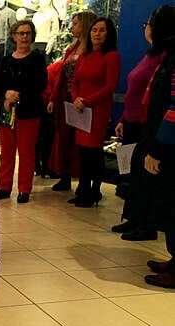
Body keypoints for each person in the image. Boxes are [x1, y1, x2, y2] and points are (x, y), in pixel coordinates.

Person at [122, 5, 175, 288]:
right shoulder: (167, 56)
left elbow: (174, 108)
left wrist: (158, 148)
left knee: (171, 203)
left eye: (151, 22)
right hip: (160, 138)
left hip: (169, 146)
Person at [111, 9, 167, 241]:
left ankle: (145, 224)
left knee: (144, 176)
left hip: (146, 123)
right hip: (132, 120)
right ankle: (134, 217)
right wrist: (124, 118)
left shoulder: (164, 57)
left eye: (148, 23)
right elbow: (135, 91)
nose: (145, 27)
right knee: (133, 173)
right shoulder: (150, 55)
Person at [0, 20, 48, 203]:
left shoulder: (37, 60)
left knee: (26, 152)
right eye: (20, 33)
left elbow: (40, 84)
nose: (24, 37)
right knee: (6, 151)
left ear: (32, 36)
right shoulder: (4, 60)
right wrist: (6, 94)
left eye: (27, 33)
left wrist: (17, 95)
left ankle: (24, 189)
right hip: (5, 111)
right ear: (13, 36)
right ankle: (4, 187)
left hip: (29, 112)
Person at [69, 17, 121, 207]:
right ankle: (82, 188)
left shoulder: (111, 56)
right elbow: (75, 82)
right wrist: (76, 98)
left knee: (94, 152)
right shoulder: (84, 55)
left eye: (102, 30)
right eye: (94, 30)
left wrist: (87, 101)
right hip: (80, 110)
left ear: (109, 34)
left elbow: (110, 87)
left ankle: (94, 190)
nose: (97, 34)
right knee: (83, 152)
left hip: (97, 110)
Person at [47, 11, 97, 191]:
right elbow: (61, 75)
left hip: (83, 100)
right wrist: (53, 97)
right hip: (66, 98)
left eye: (75, 23)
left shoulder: (93, 51)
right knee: (64, 138)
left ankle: (83, 180)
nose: (72, 27)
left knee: (81, 141)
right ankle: (65, 175)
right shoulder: (72, 48)